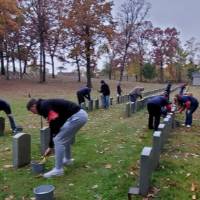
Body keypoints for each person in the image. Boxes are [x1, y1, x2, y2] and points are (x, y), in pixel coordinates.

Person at [26, 98, 88, 178]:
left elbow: (54, 125)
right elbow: (56, 120)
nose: (33, 113)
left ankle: (58, 170)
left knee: (58, 139)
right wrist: (51, 145)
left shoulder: (44, 106)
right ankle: (67, 160)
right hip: (78, 115)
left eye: (32, 111)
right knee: (63, 138)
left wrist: (51, 146)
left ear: (34, 106)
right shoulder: (44, 105)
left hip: (77, 117)